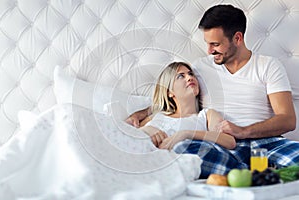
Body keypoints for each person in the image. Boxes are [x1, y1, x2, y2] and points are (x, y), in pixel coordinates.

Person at [126, 4, 299, 177]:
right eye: (207, 44)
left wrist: (243, 131)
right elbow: (174, 98)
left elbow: (288, 120)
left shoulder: (268, 66)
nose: (209, 51)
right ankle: (256, 176)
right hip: (220, 147)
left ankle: (251, 176)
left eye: (215, 44)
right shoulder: (200, 68)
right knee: (185, 149)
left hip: (267, 144)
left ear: (237, 38)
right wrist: (140, 114)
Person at [139, 61, 236, 150]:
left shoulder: (206, 115)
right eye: (181, 76)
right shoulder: (156, 116)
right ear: (169, 92)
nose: (190, 78)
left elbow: (229, 141)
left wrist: (186, 134)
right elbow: (129, 133)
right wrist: (146, 129)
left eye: (191, 74)